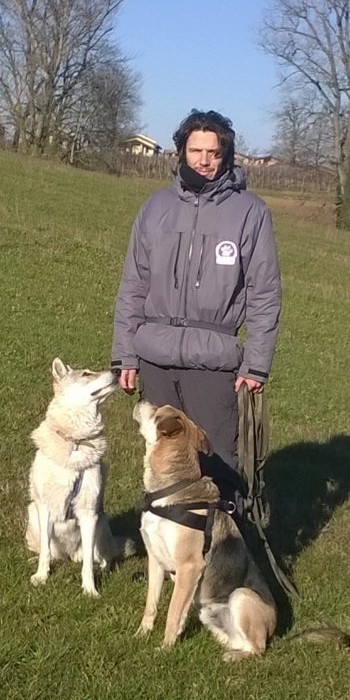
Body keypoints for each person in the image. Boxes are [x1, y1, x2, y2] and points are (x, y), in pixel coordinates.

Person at [111, 109, 281, 508]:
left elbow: (264, 291)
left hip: (214, 361)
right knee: (165, 461)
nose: (204, 160)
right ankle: (169, 557)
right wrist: (125, 355)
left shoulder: (251, 213)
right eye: (195, 150)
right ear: (181, 152)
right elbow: (133, 285)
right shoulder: (155, 209)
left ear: (226, 155)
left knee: (218, 463)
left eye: (213, 152)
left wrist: (256, 363)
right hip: (155, 357)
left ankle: (223, 555)